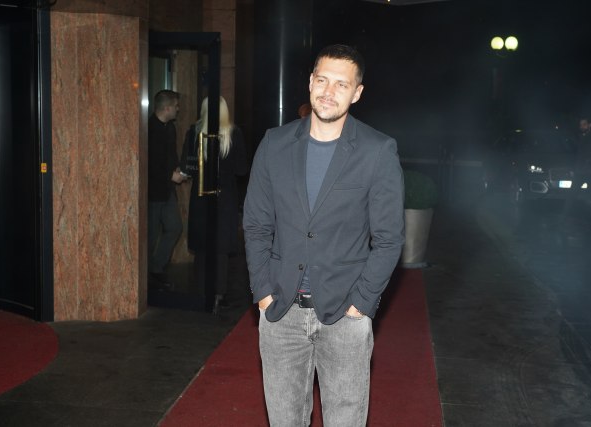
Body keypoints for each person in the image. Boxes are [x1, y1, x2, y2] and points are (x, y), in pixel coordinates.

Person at [243, 44, 405, 426]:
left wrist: (361, 304)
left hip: (345, 316)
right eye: (322, 80)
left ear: (357, 93)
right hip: (281, 312)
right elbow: (256, 225)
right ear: (310, 82)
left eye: (341, 84)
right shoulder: (274, 143)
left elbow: (389, 239)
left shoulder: (377, 150)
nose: (329, 92)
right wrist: (263, 292)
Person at [181, 96, 247, 313]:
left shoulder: (194, 132)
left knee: (203, 247)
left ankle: (202, 292)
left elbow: (187, 165)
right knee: (221, 248)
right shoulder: (233, 133)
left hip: (201, 195)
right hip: (225, 197)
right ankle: (219, 293)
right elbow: (241, 168)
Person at [148, 89, 185, 289]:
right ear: (167, 108)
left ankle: (156, 267)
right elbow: (150, 162)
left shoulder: (170, 127)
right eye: (176, 106)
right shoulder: (149, 128)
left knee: (174, 227)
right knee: (150, 235)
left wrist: (176, 168)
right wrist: (170, 175)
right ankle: (146, 274)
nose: (178, 109)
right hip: (153, 192)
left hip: (167, 190)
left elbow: (170, 154)